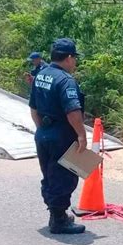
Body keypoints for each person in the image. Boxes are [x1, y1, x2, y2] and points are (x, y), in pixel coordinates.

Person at [29, 38, 87, 234]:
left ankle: (56, 214)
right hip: (61, 135)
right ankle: (59, 220)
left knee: (50, 174)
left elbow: (33, 108)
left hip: (44, 133)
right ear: (69, 58)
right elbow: (73, 111)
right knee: (65, 176)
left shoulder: (40, 75)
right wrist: (81, 135)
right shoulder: (66, 81)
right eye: (75, 59)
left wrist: (43, 131)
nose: (75, 63)